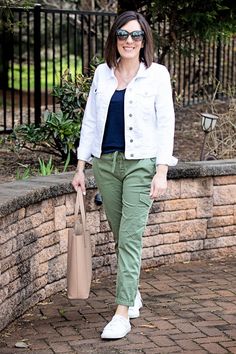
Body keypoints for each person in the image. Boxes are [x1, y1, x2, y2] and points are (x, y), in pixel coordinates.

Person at [72, 10, 177, 340]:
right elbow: (90, 120)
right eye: (122, 35)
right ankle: (132, 291)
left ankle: (121, 313)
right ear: (114, 39)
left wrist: (161, 171)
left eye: (135, 35)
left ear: (144, 40)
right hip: (105, 165)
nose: (128, 41)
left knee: (131, 238)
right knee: (121, 235)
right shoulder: (103, 73)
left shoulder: (157, 75)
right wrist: (80, 167)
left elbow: (166, 123)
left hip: (140, 166)